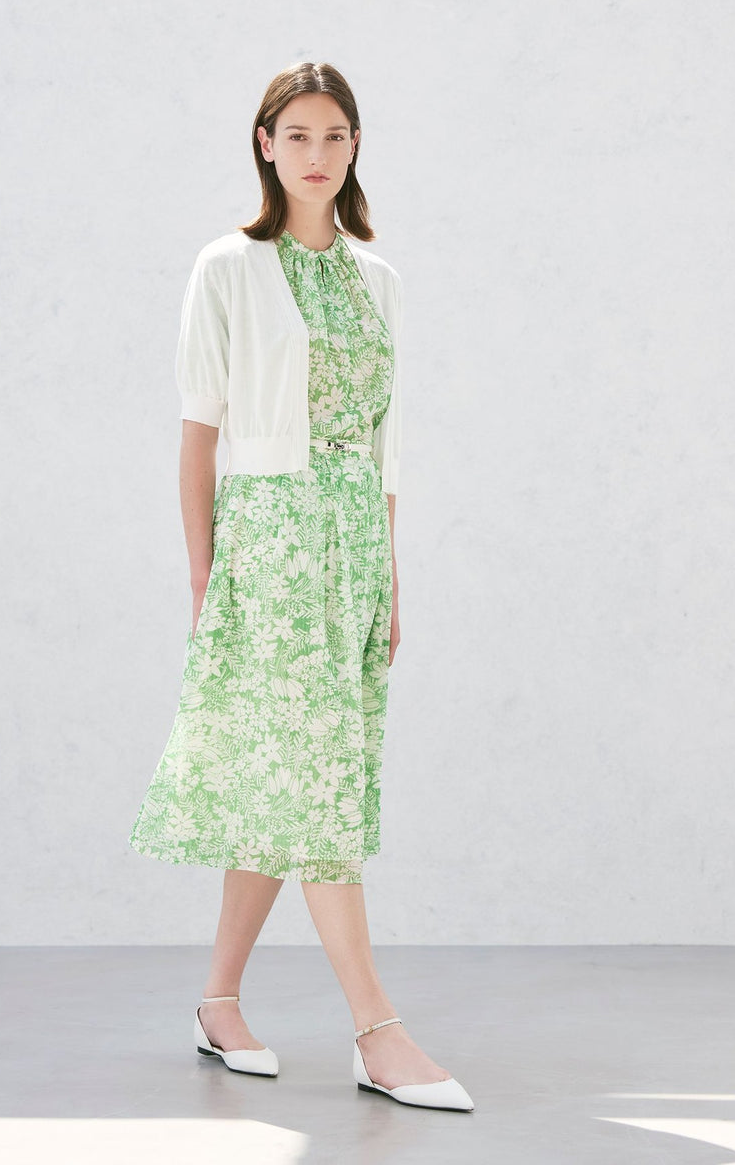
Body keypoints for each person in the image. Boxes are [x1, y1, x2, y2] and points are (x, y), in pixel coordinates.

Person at [128, 61, 473, 1112]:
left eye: (334, 136)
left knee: (296, 779)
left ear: (354, 147)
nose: (316, 155)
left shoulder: (380, 280)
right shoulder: (227, 268)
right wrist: (206, 575)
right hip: (271, 542)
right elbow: (199, 434)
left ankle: (217, 1002)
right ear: (265, 145)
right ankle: (377, 1030)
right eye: (297, 136)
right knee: (314, 782)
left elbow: (388, 447)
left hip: (355, 544)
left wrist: (391, 574)